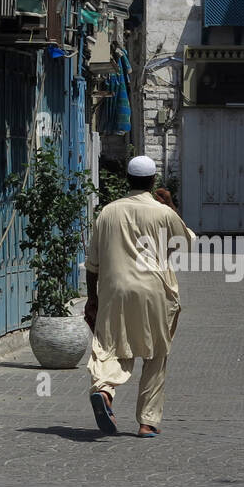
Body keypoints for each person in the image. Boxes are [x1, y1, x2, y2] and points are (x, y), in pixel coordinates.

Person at [83, 155, 194, 438]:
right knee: (157, 353)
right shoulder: (162, 212)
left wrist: (92, 298)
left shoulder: (107, 211)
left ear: (127, 179)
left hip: (114, 290)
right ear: (153, 180)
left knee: (109, 344)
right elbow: (186, 241)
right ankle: (147, 421)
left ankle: (105, 391)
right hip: (155, 290)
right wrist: (169, 205)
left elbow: (92, 263)